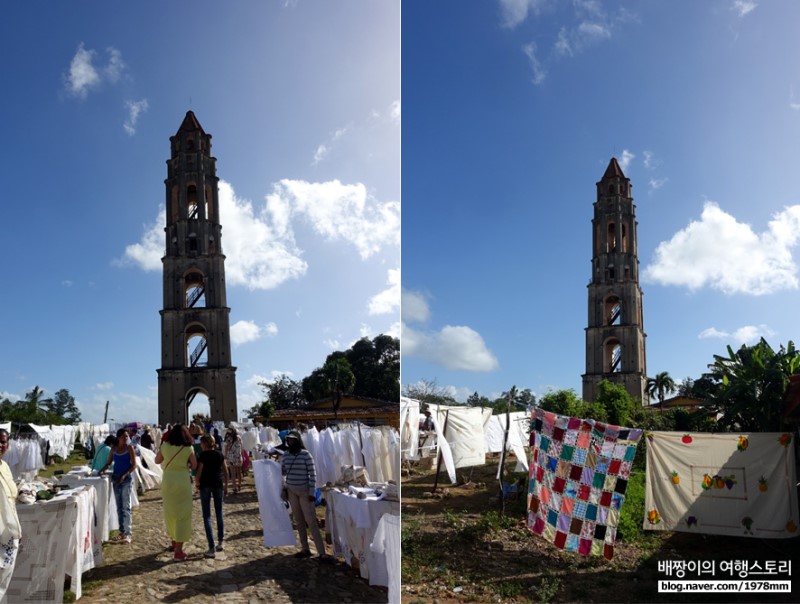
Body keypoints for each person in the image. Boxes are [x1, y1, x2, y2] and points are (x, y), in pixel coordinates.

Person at [281, 430, 330, 561]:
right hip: (292, 491)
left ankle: (322, 552)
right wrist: (284, 488)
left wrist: (312, 492)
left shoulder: (306, 455)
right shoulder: (285, 455)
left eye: (292, 439)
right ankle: (305, 548)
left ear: (297, 440)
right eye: (288, 439)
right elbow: (283, 472)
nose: (290, 441)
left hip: (304, 492)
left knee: (311, 521)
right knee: (299, 521)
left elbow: (313, 474)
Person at [155, 423, 197, 561]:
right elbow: (194, 465)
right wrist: (185, 464)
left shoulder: (165, 446)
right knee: (183, 514)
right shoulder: (188, 448)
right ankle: (178, 550)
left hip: (168, 480)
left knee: (170, 511)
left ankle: (174, 539)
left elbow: (157, 460)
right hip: (182, 481)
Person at [99, 428, 137, 544]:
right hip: (116, 479)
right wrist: (101, 470)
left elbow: (134, 465)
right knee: (118, 506)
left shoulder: (129, 448)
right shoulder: (114, 449)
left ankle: (127, 533)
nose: (126, 439)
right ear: (118, 438)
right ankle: (121, 531)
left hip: (126, 479)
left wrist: (125, 475)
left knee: (126, 506)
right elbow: (109, 463)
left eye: (127, 437)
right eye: (123, 437)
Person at [195, 434, 228, 558]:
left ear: (204, 444)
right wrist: (226, 486)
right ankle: (221, 542)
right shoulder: (219, 454)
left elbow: (200, 471)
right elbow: (225, 470)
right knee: (219, 513)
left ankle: (211, 547)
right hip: (218, 484)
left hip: (205, 485)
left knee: (207, 516)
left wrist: (197, 483)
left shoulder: (203, 455)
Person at [0, 429, 21, 600]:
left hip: (10, 526)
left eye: (3, 442)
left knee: (5, 574)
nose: (0, 445)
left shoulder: (5, 466)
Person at [223, 428, 243, 493]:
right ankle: (239, 485)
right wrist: (242, 456)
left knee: (233, 473)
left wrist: (225, 455)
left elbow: (226, 447)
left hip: (231, 457)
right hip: (238, 457)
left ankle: (234, 488)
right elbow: (242, 448)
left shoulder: (229, 439)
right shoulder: (239, 438)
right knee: (239, 472)